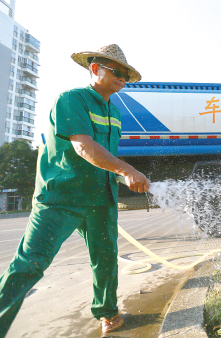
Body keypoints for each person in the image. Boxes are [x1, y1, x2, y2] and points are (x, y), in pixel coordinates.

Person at [0, 44, 150, 336]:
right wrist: (127, 170)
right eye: (116, 71)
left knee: (105, 260)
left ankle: (108, 313)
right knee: (30, 264)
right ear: (95, 69)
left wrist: (126, 178)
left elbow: (104, 156)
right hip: (60, 198)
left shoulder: (115, 113)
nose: (121, 78)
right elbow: (84, 148)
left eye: (125, 75)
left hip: (100, 198)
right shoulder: (71, 100)